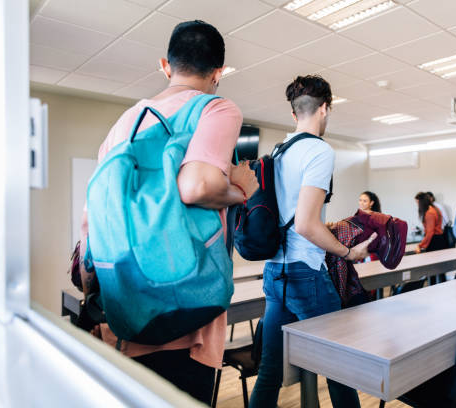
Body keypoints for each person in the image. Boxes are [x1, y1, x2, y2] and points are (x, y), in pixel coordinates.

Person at [78, 20, 259, 404]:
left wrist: (94, 292)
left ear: (165, 65)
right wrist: (243, 186)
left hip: (126, 307)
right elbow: (197, 187)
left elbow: (93, 217)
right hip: (188, 314)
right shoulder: (216, 108)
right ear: (218, 73)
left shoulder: (124, 124)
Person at [249, 75, 375, 408]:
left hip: (275, 271)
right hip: (306, 272)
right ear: (325, 109)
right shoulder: (319, 151)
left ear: (293, 114)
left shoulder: (278, 150)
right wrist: (349, 251)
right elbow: (305, 224)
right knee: (341, 368)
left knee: (270, 371)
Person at [415, 192, 448, 283]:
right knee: (440, 270)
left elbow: (430, 232)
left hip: (434, 242)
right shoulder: (435, 209)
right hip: (439, 240)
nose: (417, 205)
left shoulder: (429, 213)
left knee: (432, 270)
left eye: (417, 202)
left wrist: (420, 245)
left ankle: (433, 288)